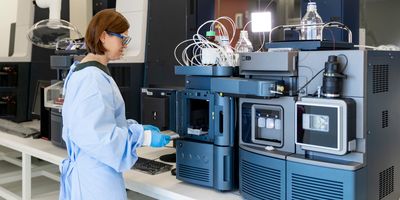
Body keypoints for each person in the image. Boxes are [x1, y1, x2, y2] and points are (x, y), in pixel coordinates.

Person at [59, 9, 171, 200]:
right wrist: (141, 137)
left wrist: (134, 128)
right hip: (96, 180)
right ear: (103, 36)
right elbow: (98, 137)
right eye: (122, 39)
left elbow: (100, 123)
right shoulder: (92, 78)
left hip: (93, 172)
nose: (125, 45)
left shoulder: (88, 71)